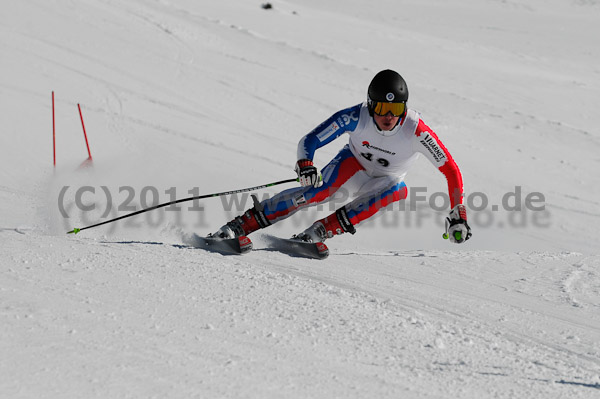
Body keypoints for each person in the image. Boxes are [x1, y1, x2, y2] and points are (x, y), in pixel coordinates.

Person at [211, 69, 472, 244]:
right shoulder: (357, 116)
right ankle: (239, 227)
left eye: (395, 109)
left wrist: (458, 211)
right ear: (371, 104)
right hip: (352, 165)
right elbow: (310, 140)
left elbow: (450, 170)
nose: (388, 116)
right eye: (382, 107)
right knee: (317, 193)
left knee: (399, 191)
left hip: (383, 181)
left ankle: (319, 232)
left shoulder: (416, 130)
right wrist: (306, 165)